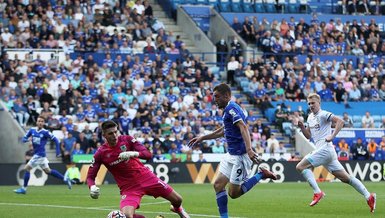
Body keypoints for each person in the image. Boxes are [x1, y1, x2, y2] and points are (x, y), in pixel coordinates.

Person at [188, 83, 277, 218]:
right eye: (214, 97)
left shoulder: (231, 108)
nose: (215, 99)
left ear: (226, 96)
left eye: (217, 97)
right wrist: (203, 137)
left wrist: (249, 150)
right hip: (231, 154)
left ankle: (261, 174)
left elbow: (243, 127)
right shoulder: (227, 110)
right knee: (218, 185)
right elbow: (224, 130)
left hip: (241, 156)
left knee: (233, 193)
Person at [86, 120, 189, 218]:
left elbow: (148, 155)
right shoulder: (101, 153)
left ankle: (178, 209)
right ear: (104, 135)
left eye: (115, 132)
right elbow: (90, 176)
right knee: (126, 216)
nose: (114, 136)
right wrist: (92, 187)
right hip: (128, 186)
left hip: (146, 177)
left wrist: (133, 153)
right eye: (110, 134)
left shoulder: (127, 139)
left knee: (178, 200)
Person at [295, 93, 376, 212]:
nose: (311, 105)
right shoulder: (310, 117)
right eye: (309, 103)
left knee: (300, 166)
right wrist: (302, 128)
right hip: (326, 152)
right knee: (345, 178)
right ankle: (369, 196)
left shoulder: (323, 114)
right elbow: (308, 136)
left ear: (319, 103)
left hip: (325, 149)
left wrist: (332, 136)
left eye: (313, 103)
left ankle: (318, 192)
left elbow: (340, 121)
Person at [14, 116, 72, 194]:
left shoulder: (46, 132)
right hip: (39, 155)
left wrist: (58, 151)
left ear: (44, 123)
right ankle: (66, 179)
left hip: (40, 155)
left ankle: (24, 189)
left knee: (27, 168)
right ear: (37, 122)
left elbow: (56, 140)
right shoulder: (32, 130)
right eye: (39, 121)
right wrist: (27, 139)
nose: (40, 123)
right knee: (48, 171)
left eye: (42, 121)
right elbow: (23, 139)